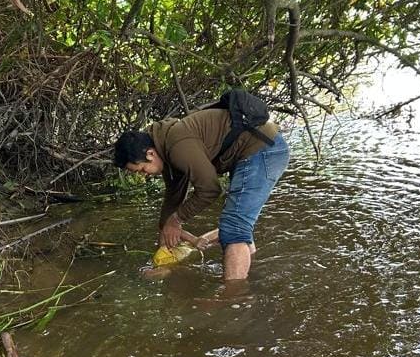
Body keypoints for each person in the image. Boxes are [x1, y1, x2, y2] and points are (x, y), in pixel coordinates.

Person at [113, 103, 289, 283]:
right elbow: (173, 197)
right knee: (236, 224)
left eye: (142, 170)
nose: (144, 176)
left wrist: (176, 220)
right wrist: (164, 248)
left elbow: (210, 190)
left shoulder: (177, 145)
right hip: (252, 150)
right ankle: (251, 271)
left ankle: (233, 297)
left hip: (263, 149)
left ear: (150, 154)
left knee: (234, 226)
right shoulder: (165, 148)